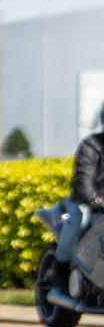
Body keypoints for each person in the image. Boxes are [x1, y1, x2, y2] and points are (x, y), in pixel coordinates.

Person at [54, 109, 104, 292]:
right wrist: (93, 197)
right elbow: (83, 177)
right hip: (89, 203)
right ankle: (60, 274)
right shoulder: (92, 145)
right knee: (78, 221)